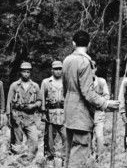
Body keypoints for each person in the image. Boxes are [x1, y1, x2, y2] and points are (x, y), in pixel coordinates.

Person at [62, 30, 119, 168]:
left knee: (69, 153)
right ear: (89, 43)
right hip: (81, 115)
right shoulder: (85, 62)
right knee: (79, 154)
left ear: (73, 43)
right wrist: (105, 103)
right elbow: (87, 92)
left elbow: (65, 88)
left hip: (69, 112)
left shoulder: (67, 60)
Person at [7, 62, 41, 157]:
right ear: (20, 72)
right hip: (17, 118)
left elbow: (39, 101)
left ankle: (28, 162)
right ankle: (16, 163)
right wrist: (8, 117)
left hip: (30, 118)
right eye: (24, 71)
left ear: (30, 73)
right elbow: (9, 102)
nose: (26, 74)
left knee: (34, 143)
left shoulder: (35, 86)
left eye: (28, 72)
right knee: (17, 144)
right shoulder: (14, 85)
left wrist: (33, 106)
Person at [40, 60, 66, 167]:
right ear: (52, 70)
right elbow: (42, 98)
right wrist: (42, 113)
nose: (58, 71)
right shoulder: (46, 82)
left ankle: (64, 158)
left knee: (66, 137)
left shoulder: (66, 82)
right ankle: (49, 159)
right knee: (49, 139)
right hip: (50, 114)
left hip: (64, 114)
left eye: (60, 69)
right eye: (56, 69)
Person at [92, 61, 110, 160]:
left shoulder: (101, 82)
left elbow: (106, 96)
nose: (91, 70)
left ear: (95, 69)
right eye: (88, 68)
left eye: (92, 68)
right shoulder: (83, 82)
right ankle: (89, 157)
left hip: (98, 113)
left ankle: (99, 157)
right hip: (86, 114)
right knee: (87, 137)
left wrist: (98, 101)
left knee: (99, 136)